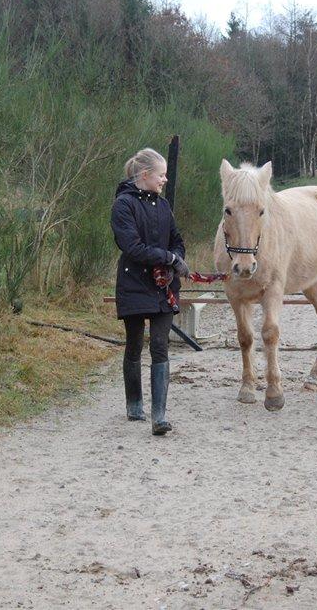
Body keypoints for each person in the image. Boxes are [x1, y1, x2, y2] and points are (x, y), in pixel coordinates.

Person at [110, 148, 190, 435]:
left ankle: (159, 416)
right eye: (161, 174)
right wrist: (168, 259)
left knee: (159, 345)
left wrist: (175, 261)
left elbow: (177, 240)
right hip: (134, 284)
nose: (165, 180)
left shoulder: (164, 206)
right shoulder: (123, 205)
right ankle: (134, 404)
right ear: (145, 175)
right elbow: (132, 247)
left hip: (163, 286)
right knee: (134, 345)